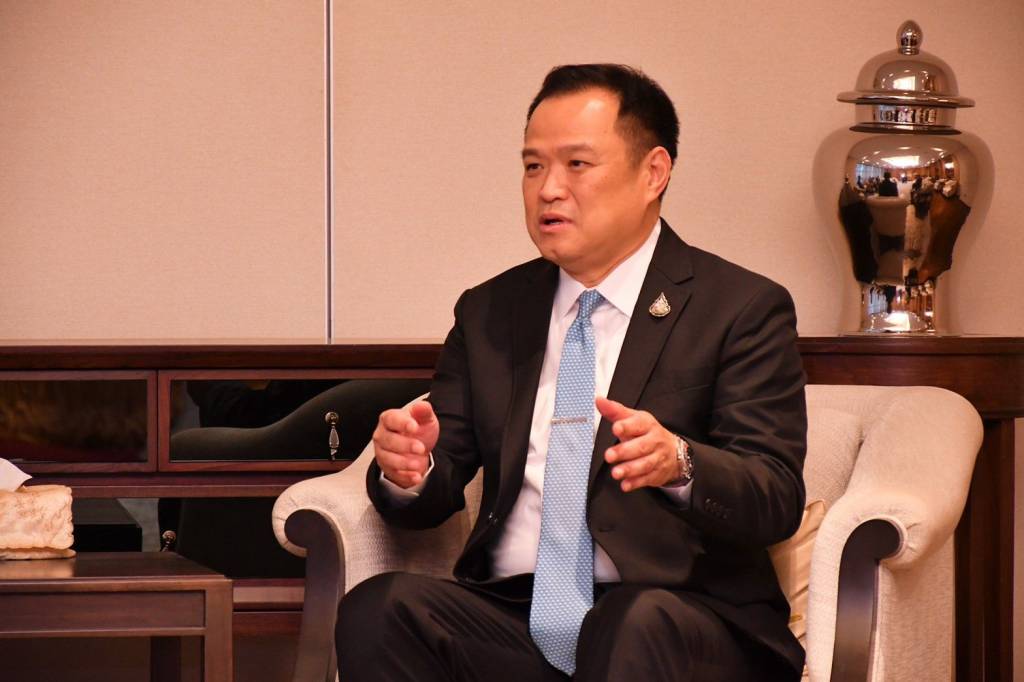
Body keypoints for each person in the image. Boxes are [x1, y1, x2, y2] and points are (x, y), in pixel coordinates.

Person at [336, 63, 807, 681]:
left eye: (577, 164)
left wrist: (680, 462)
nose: (549, 189)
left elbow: (775, 496)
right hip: (518, 612)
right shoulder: (491, 311)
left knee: (630, 621)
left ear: (653, 173)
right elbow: (437, 478)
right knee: (380, 610)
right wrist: (409, 470)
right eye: (533, 166)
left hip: (681, 617)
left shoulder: (739, 307)